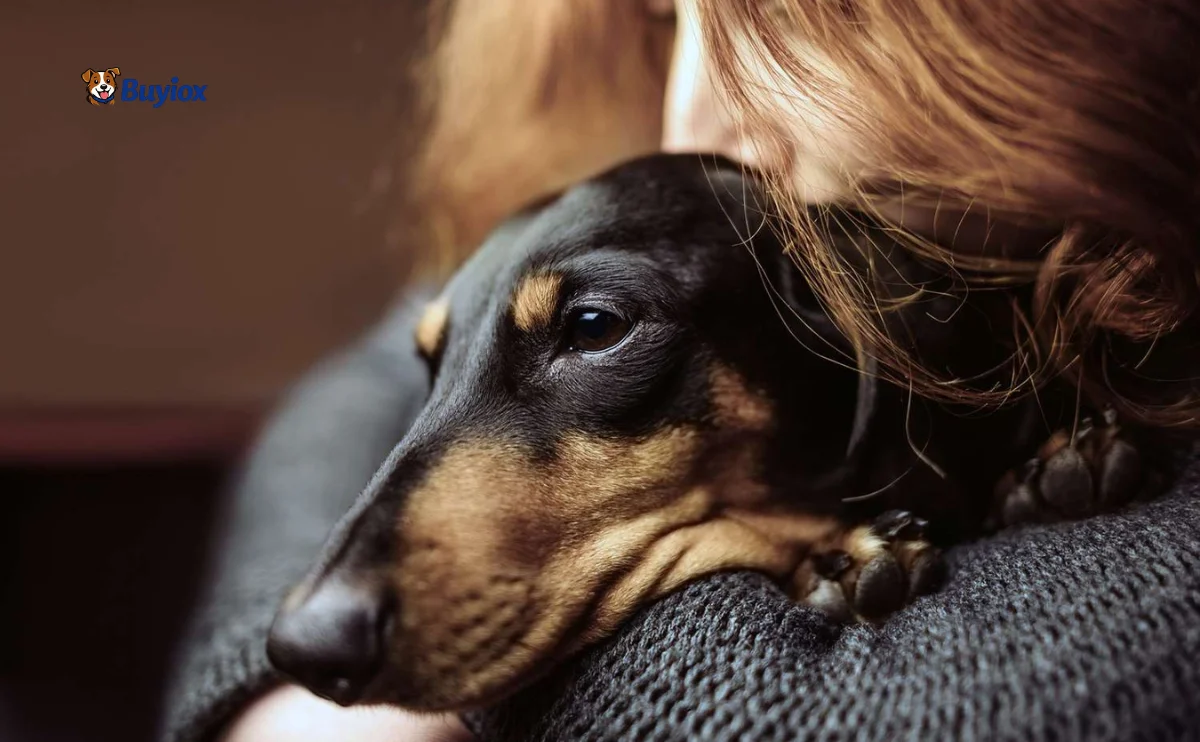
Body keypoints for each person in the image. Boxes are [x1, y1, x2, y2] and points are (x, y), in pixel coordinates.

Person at [160, 1, 1200, 741]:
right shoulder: (747, 231)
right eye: (667, 20)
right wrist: (277, 689)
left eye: (785, 17)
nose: (688, 120)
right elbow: (378, 369)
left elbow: (839, 715)